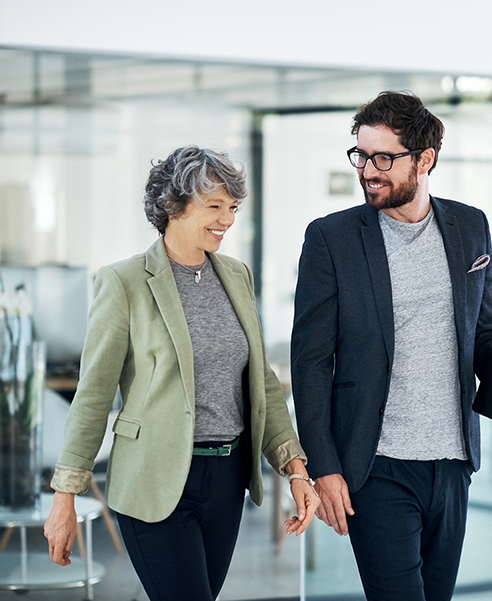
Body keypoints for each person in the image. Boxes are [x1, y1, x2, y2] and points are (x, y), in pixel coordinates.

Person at [43, 145, 319, 601]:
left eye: (232, 207)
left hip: (227, 481)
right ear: (173, 205)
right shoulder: (124, 282)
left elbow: (261, 380)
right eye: (214, 206)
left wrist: (293, 467)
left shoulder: (236, 274)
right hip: (154, 481)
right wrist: (65, 495)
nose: (227, 220)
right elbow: (93, 396)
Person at [290, 91, 492, 601]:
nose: (369, 170)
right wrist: (323, 468)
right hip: (377, 465)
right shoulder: (332, 239)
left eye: (384, 158)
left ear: (425, 159)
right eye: (362, 155)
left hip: (454, 465)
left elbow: (484, 333)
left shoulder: (470, 226)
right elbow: (309, 363)